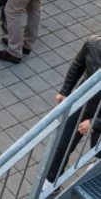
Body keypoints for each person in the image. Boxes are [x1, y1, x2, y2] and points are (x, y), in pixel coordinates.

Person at [42, 35, 101, 193]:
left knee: (98, 147)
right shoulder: (93, 44)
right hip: (82, 104)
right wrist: (65, 91)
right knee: (62, 145)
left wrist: (96, 123)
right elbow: (78, 64)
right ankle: (51, 181)